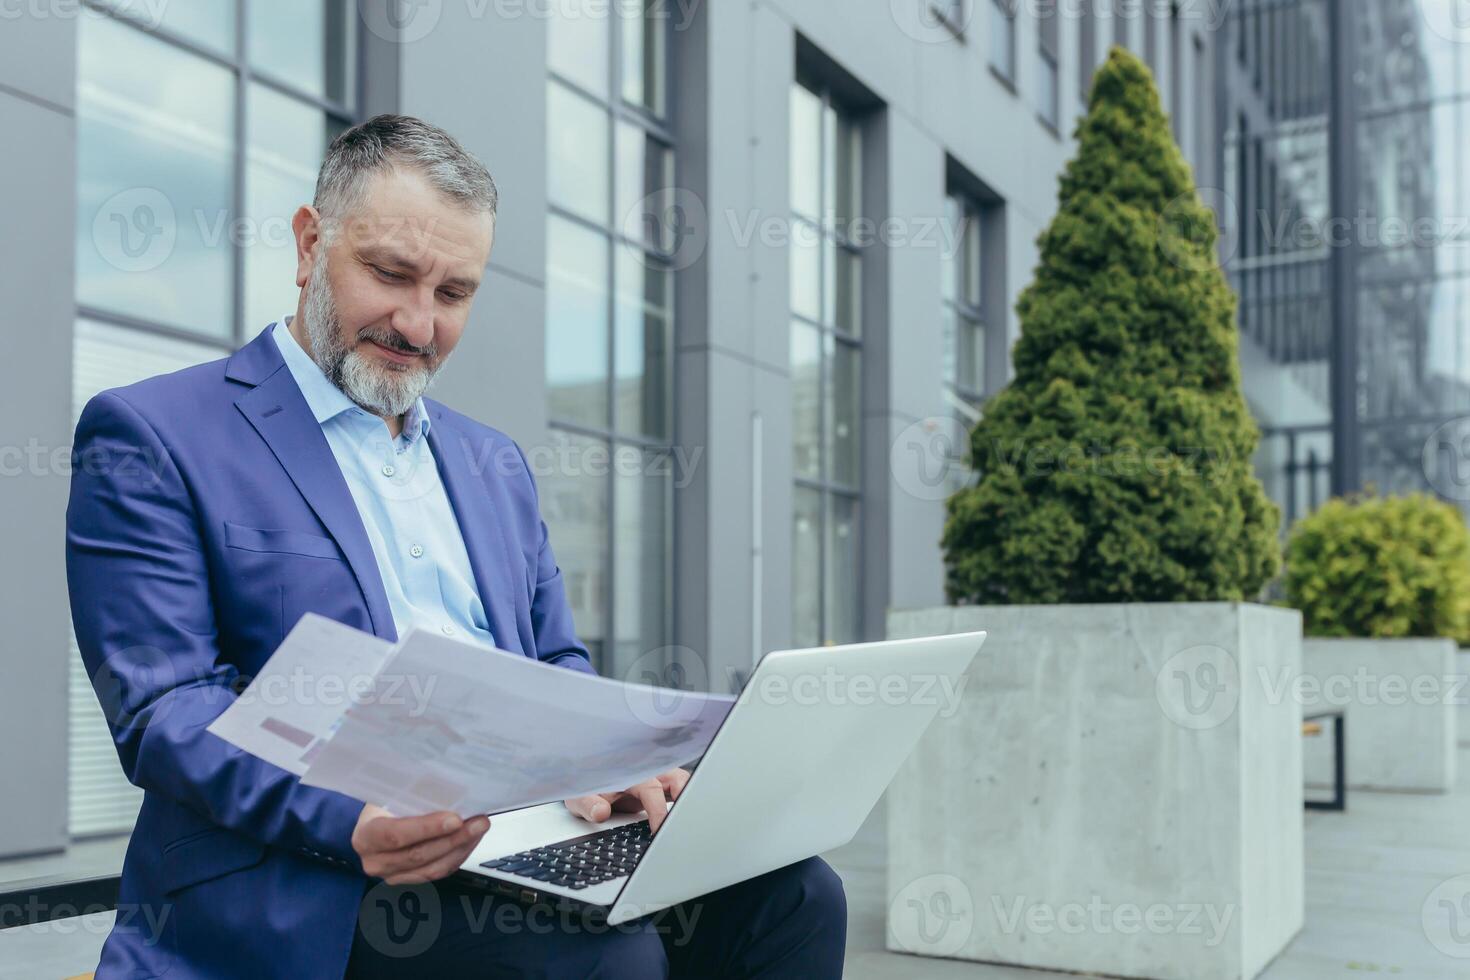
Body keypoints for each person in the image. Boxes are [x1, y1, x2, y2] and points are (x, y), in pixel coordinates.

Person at [66, 113, 846, 978]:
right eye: (390, 274)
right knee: (603, 961)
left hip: (523, 840)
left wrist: (616, 767)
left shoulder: (493, 463)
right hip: (314, 877)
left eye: (453, 293)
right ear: (308, 243)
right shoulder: (153, 434)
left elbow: (555, 661)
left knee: (798, 896)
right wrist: (347, 813)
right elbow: (165, 710)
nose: (417, 323)